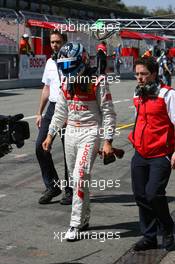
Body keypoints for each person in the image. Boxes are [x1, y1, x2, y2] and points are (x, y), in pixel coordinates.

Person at [42, 42, 117, 241]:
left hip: (91, 132)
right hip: (71, 133)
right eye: (63, 66)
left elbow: (109, 114)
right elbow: (60, 112)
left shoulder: (98, 81)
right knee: (78, 180)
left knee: (79, 174)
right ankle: (84, 219)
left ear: (83, 60)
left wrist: (107, 140)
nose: (66, 70)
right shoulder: (66, 83)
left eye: (70, 65)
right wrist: (50, 134)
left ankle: (74, 223)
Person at [128, 57, 175, 251]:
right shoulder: (138, 94)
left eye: (144, 74)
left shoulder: (168, 94)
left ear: (154, 74)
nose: (139, 78)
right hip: (140, 153)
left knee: (153, 193)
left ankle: (169, 229)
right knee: (140, 195)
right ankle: (149, 237)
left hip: (161, 153)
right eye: (137, 74)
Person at [36, 29, 72, 205]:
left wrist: (70, 112)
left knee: (68, 152)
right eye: (52, 42)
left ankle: (70, 190)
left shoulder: (72, 62)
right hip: (51, 108)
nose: (55, 45)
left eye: (58, 42)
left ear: (64, 42)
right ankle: (53, 185)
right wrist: (39, 113)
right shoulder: (49, 62)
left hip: (68, 108)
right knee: (40, 147)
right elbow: (46, 88)